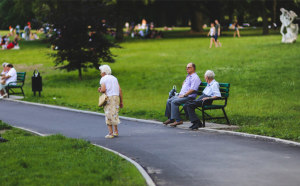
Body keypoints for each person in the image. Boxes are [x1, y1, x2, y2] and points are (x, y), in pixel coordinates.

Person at [163, 63, 201, 127]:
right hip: (182, 95)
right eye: (186, 67)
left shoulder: (195, 77)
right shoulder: (189, 76)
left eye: (189, 67)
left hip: (189, 97)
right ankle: (171, 118)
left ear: (193, 68)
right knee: (169, 100)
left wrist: (184, 95)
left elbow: (193, 89)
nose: (187, 68)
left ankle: (178, 120)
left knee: (174, 102)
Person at [98, 65, 123, 139]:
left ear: (103, 72)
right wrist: (121, 101)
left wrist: (99, 90)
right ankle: (116, 131)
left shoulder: (103, 79)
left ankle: (110, 133)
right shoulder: (114, 78)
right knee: (114, 113)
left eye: (100, 72)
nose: (100, 73)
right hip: (116, 97)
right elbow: (120, 90)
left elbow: (103, 90)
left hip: (109, 98)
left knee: (108, 114)